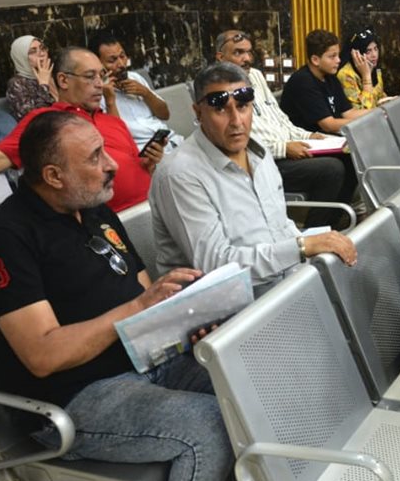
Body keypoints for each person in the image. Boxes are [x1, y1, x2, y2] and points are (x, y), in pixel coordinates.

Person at [0, 110, 242, 481]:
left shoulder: (93, 209)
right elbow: (42, 356)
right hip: (75, 398)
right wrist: (136, 309)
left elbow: (142, 293)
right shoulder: (4, 240)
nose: (112, 164)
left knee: (241, 379)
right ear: (54, 175)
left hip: (145, 359)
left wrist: (185, 317)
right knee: (209, 424)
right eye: (95, 158)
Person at [150, 62, 357, 293]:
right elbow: (215, 266)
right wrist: (301, 247)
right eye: (221, 110)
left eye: (243, 107)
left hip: (284, 285)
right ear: (198, 113)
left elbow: (280, 226)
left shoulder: (259, 153)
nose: (236, 121)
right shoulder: (180, 174)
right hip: (231, 305)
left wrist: (314, 249)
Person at [0, 47, 163, 213]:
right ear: (63, 80)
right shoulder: (49, 121)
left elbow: (134, 163)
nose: (100, 84)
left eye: (101, 76)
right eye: (90, 77)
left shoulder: (113, 121)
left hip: (151, 207)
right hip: (107, 223)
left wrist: (149, 163)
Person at [214, 30, 355, 227]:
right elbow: (240, 144)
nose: (247, 59)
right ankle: (316, 230)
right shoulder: (217, 90)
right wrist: (284, 148)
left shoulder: (255, 75)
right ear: (221, 57)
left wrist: (309, 135)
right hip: (262, 162)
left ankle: (334, 222)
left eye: (249, 52)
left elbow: (280, 119)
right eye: (238, 53)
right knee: (331, 169)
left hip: (286, 148)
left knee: (349, 155)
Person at [90, 30, 181, 153]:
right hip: (143, 153)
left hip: (171, 140)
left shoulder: (135, 77)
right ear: (98, 65)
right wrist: (110, 99)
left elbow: (165, 114)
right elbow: (117, 137)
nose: (121, 64)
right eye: (112, 60)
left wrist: (146, 93)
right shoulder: (96, 95)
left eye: (122, 56)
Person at [280, 29, 373, 133]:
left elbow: (348, 113)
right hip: (305, 139)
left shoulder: (330, 76)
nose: (338, 60)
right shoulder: (302, 81)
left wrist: (380, 112)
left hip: (327, 136)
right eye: (332, 56)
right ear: (315, 60)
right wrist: (366, 123)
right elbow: (329, 125)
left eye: (338, 55)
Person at [5, 35, 57, 119]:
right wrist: (43, 85)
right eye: (33, 51)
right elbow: (35, 118)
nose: (42, 54)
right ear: (21, 57)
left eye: (43, 48)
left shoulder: (55, 74)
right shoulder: (17, 83)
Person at [338, 28, 388, 110]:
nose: (374, 55)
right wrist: (366, 76)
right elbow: (363, 111)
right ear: (356, 54)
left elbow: (379, 96)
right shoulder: (345, 75)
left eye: (376, 49)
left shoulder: (374, 67)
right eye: (368, 51)